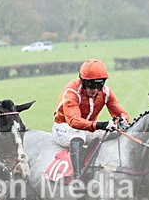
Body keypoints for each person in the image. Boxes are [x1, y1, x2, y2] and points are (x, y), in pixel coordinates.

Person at [52, 59, 131, 189]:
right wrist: (100, 125)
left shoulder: (105, 92)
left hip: (87, 129)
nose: (94, 90)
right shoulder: (71, 92)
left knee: (114, 134)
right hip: (64, 128)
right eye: (90, 85)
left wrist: (122, 120)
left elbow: (121, 112)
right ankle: (77, 178)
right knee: (79, 135)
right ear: (83, 81)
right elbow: (73, 121)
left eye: (98, 86)